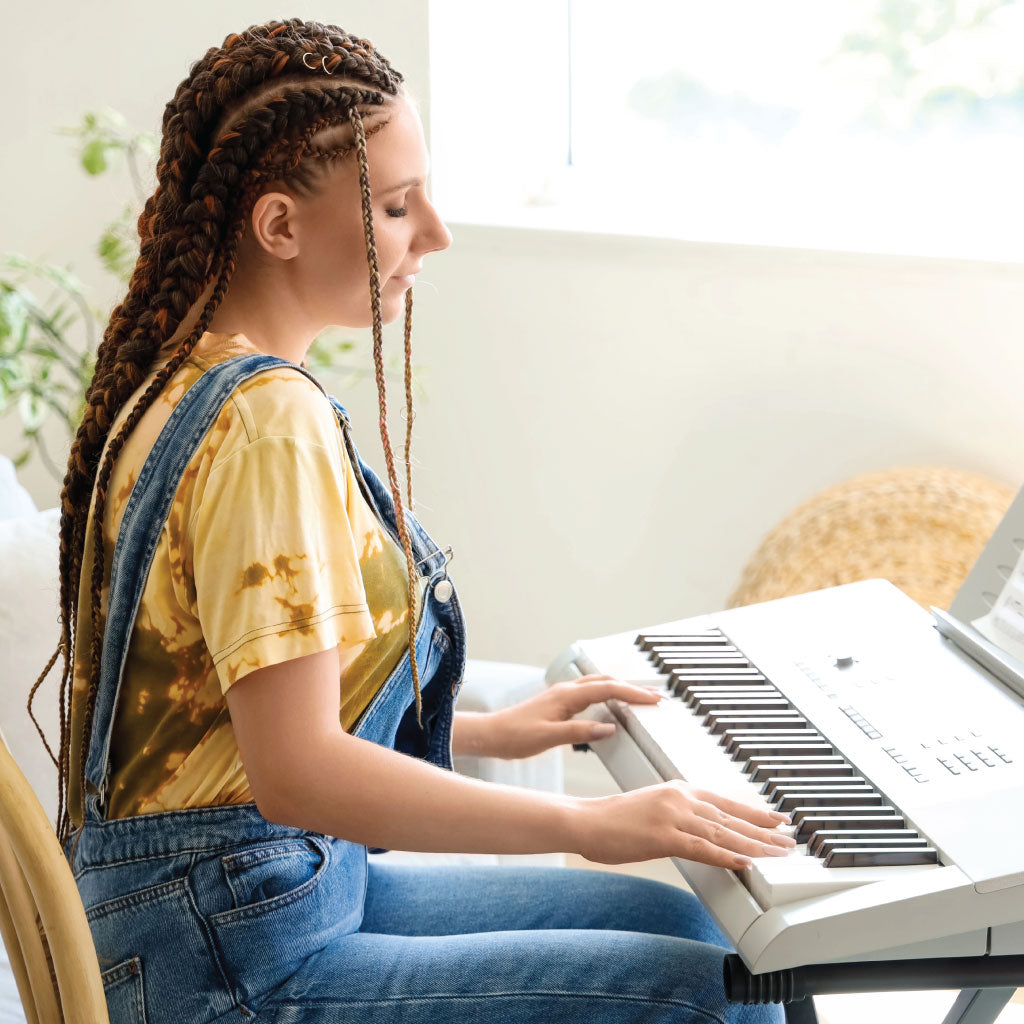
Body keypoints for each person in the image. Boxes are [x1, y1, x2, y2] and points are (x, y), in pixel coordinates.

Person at [29, 18, 792, 1024]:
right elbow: (297, 769)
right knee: (710, 994)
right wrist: (590, 819)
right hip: (233, 960)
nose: (434, 233)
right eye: (395, 206)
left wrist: (485, 729)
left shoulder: (178, 376)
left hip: (241, 904)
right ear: (278, 225)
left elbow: (246, 723)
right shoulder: (265, 423)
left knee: (694, 935)